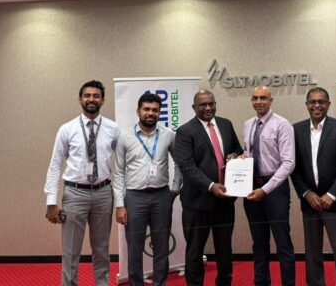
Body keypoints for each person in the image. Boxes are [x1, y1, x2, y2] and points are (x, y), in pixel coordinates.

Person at [44, 80, 120, 286]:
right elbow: (55, 165)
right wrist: (51, 201)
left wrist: (121, 199)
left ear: (103, 100)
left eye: (96, 96)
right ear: (80, 99)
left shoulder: (113, 129)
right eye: (87, 95)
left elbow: (122, 163)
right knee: (71, 251)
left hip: (104, 193)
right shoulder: (67, 129)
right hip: (75, 194)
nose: (91, 99)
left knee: (102, 250)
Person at [173, 90, 243, 286]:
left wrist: (234, 155)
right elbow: (187, 166)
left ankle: (225, 283)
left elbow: (237, 148)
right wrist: (211, 186)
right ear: (194, 108)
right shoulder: (185, 131)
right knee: (195, 251)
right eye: (202, 105)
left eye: (211, 103)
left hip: (225, 200)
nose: (208, 108)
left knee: (225, 249)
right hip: (197, 202)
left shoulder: (226, 124)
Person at [113, 93, 183, 286]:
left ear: (159, 113)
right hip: (134, 197)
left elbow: (179, 163)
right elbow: (118, 172)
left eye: (155, 110)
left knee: (161, 246)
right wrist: (119, 204)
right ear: (138, 111)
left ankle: (159, 283)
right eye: (146, 109)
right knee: (134, 248)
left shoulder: (168, 135)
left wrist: (175, 189)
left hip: (162, 196)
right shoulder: (125, 136)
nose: (150, 113)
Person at [291, 87, 336, 286]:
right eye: (313, 102)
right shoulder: (296, 130)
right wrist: (306, 192)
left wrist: (332, 194)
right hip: (309, 202)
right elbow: (293, 166)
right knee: (312, 252)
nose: (317, 105)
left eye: (321, 102)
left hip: (335, 202)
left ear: (328, 105)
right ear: (306, 105)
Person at [241, 85, 296, 286]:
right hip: (251, 189)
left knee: (283, 243)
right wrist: (241, 159)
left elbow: (288, 163)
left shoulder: (282, 125)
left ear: (271, 100)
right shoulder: (248, 124)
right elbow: (249, 153)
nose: (259, 102)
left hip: (275, 190)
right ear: (251, 100)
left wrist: (265, 190)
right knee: (259, 244)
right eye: (255, 98)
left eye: (263, 98)